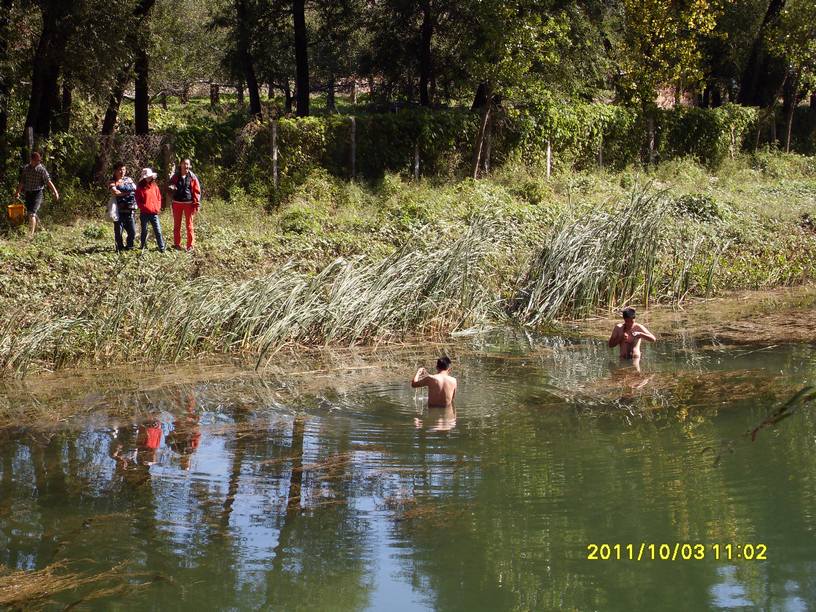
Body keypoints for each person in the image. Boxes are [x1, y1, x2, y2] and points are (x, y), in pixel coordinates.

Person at [14, 151, 59, 237]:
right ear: (31, 160)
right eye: (36, 160)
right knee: (31, 213)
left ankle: (30, 235)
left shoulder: (41, 170)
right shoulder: (26, 168)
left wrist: (55, 192)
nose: (38, 162)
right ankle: (41, 228)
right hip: (28, 193)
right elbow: (22, 182)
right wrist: (17, 192)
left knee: (31, 213)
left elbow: (48, 181)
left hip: (37, 194)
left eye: (39, 161)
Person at [168, 158, 201, 252]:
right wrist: (171, 188)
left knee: (189, 225)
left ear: (189, 166)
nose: (186, 166)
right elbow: (169, 186)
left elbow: (196, 191)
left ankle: (190, 246)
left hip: (189, 203)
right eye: (184, 164)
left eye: (188, 164)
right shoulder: (175, 176)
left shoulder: (192, 176)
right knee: (176, 225)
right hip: (176, 203)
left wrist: (196, 204)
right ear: (181, 165)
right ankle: (177, 244)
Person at [135, 167, 166, 252]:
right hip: (144, 213)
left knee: (158, 230)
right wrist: (144, 207)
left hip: (154, 213)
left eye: (150, 176)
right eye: (147, 177)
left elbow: (159, 197)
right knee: (144, 231)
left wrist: (157, 207)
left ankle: (162, 248)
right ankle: (142, 246)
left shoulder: (154, 186)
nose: (149, 178)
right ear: (144, 177)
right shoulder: (140, 188)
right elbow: (138, 201)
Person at [109, 162, 137, 252]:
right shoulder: (112, 181)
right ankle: (119, 248)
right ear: (115, 171)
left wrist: (121, 188)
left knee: (132, 232)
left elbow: (134, 188)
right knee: (118, 232)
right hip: (118, 211)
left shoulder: (128, 179)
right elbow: (115, 192)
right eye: (120, 169)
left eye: (124, 169)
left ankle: (129, 246)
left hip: (129, 210)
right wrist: (128, 192)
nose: (122, 171)